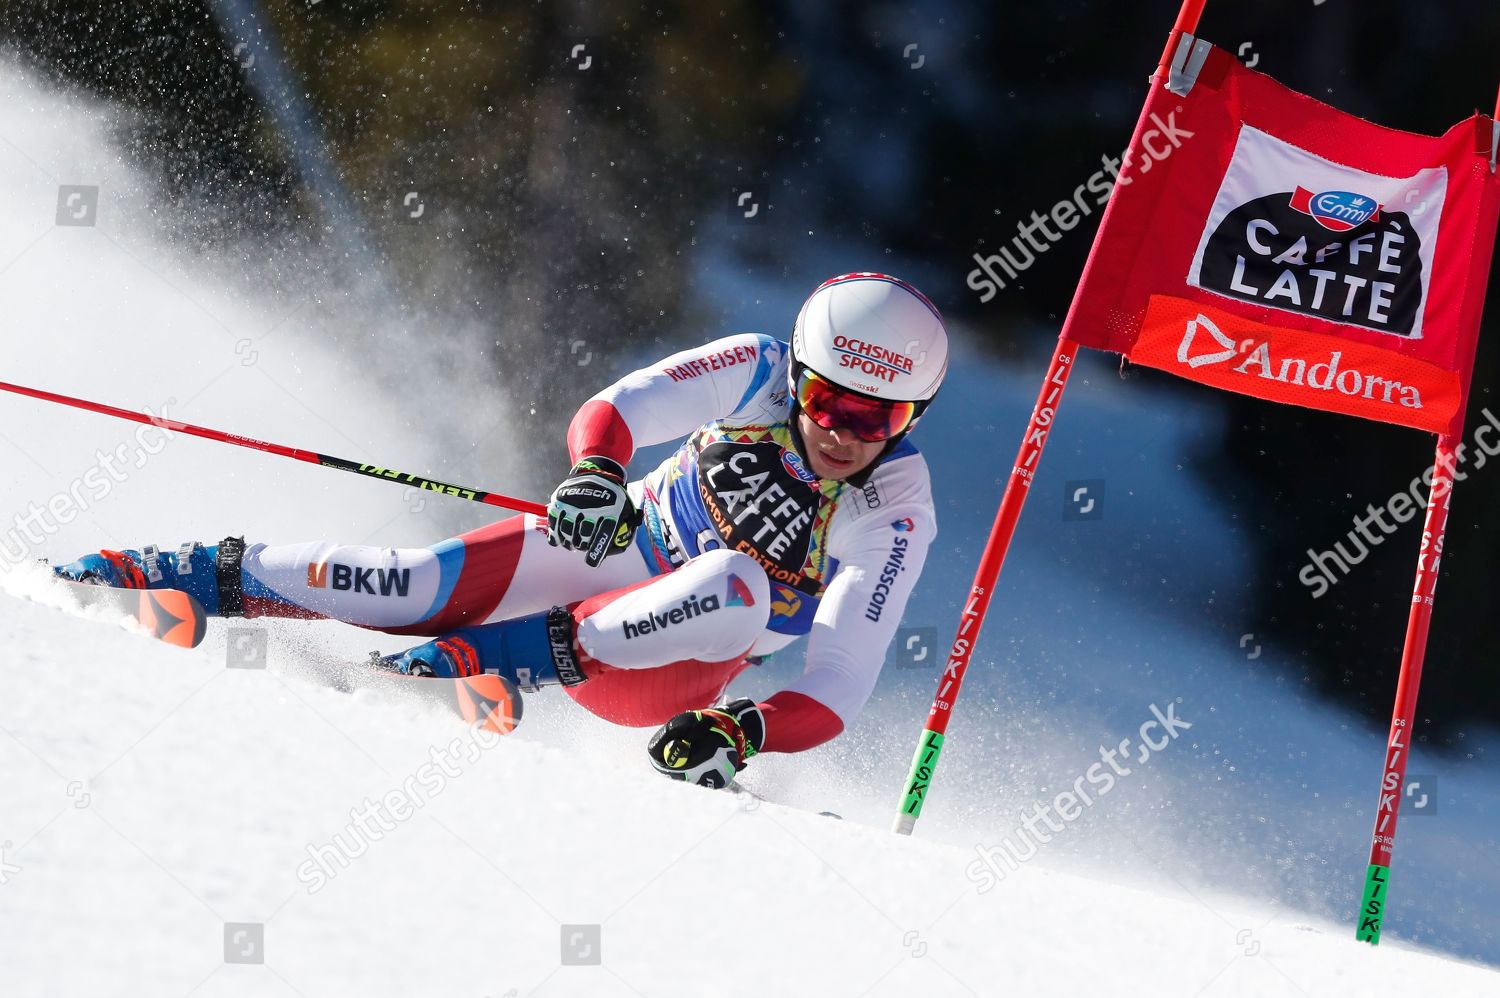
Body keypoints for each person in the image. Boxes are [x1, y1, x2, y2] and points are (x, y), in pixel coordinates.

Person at [55, 272, 947, 789]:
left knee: (739, 584)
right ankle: (174, 572)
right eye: (828, 400)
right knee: (408, 586)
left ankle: (485, 667)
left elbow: (836, 687)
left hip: (654, 665)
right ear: (799, 374)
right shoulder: (756, 370)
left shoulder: (894, 511)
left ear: (913, 416)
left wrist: (744, 730)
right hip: (613, 551)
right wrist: (598, 472)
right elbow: (621, 406)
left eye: (878, 419)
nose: (841, 431)